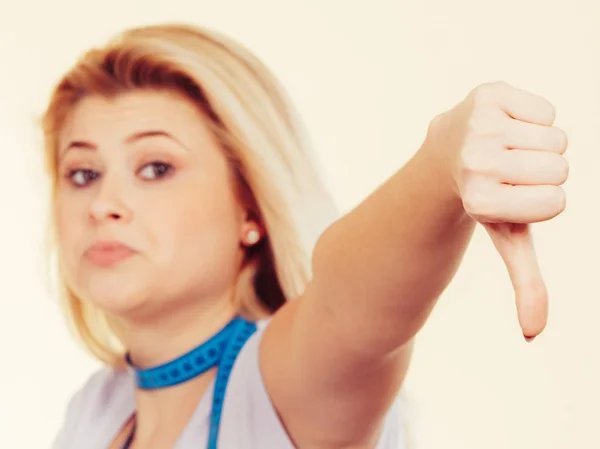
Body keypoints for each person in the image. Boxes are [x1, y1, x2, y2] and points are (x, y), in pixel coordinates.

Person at [45, 23, 568, 449]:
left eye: (156, 168)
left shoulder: (283, 385)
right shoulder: (97, 409)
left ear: (249, 207)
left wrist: (438, 165)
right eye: (83, 174)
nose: (103, 205)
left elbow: (348, 305)